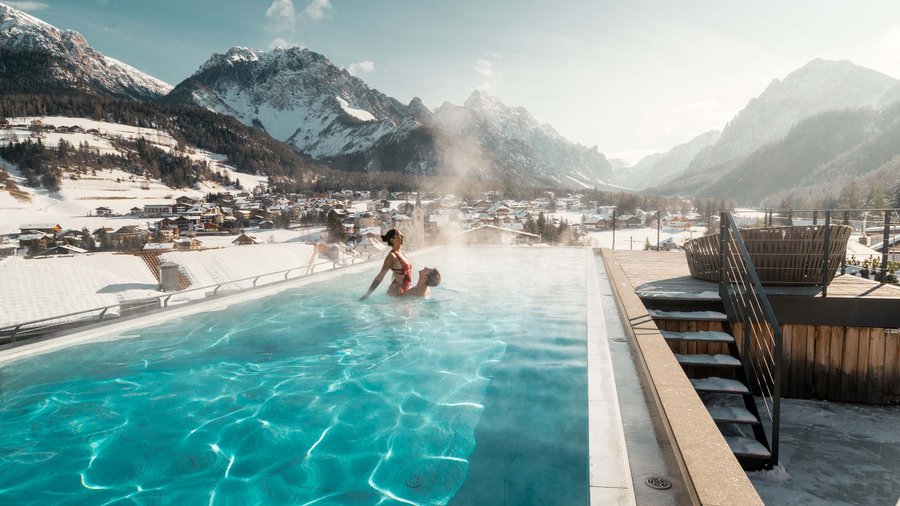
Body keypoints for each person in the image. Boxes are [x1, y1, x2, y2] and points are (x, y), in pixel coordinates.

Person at [359, 229, 413, 300]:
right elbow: (380, 276)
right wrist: (368, 294)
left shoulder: (400, 253)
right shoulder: (392, 256)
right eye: (399, 235)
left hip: (404, 291)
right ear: (392, 240)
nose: (402, 236)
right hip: (398, 293)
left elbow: (397, 272)